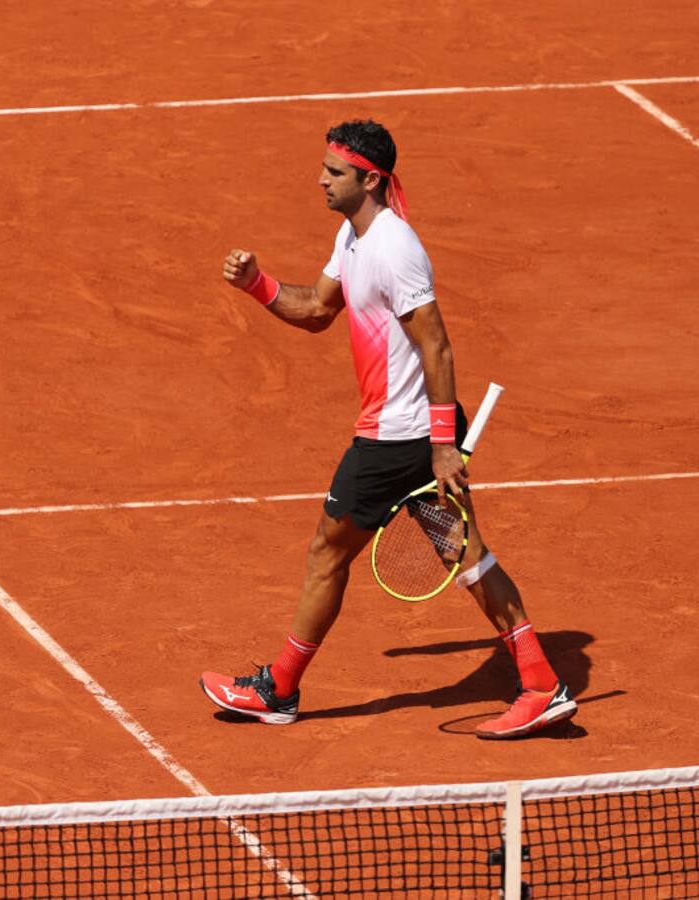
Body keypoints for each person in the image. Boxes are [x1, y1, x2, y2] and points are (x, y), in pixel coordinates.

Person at [199, 121, 577, 740]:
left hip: (398, 438)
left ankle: (280, 690)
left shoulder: (394, 249)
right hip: (411, 434)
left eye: (335, 171)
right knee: (466, 556)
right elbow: (319, 310)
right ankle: (540, 684)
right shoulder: (352, 236)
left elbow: (438, 346)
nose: (321, 179)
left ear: (369, 178)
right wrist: (257, 286)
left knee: (328, 549)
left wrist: (440, 445)